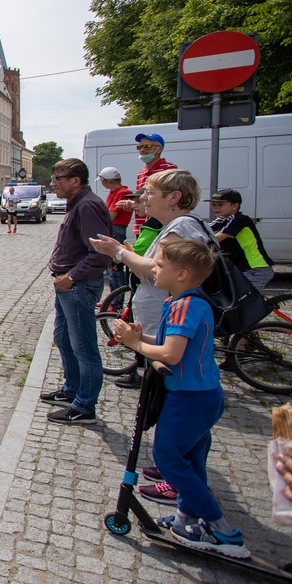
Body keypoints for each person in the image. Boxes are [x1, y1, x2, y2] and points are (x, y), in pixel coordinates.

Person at [113, 239, 250, 559]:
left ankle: (222, 529)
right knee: (190, 460)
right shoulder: (185, 301)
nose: (154, 269)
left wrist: (138, 345)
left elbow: (170, 355)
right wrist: (135, 337)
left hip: (190, 398)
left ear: (182, 274)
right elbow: (165, 343)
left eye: (160, 266)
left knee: (169, 458)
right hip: (201, 395)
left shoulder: (187, 306)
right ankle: (188, 518)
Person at [91, 169, 213, 503]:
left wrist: (118, 251)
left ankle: (179, 476)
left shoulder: (182, 228)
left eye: (150, 192)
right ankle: (175, 466)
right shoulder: (173, 227)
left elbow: (154, 269)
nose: (144, 197)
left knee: (171, 401)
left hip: (167, 328)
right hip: (163, 323)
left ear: (174, 197)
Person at [40, 159, 113, 425]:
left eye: (58, 178)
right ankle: (72, 390)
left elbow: (101, 255)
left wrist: (71, 276)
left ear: (76, 180)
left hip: (77, 285)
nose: (53, 183)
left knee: (83, 346)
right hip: (68, 285)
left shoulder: (87, 205)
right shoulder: (79, 204)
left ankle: (84, 406)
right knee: (64, 338)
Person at [207, 188, 274, 290]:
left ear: (234, 206)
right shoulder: (220, 220)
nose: (216, 208)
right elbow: (203, 230)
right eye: (214, 205)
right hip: (241, 269)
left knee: (243, 300)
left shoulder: (240, 220)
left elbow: (216, 238)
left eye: (220, 205)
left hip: (256, 270)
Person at [98, 167, 133, 310]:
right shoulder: (114, 193)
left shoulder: (123, 193)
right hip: (113, 229)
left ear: (106, 181)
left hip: (116, 230)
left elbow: (111, 216)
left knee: (115, 269)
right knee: (110, 269)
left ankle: (116, 303)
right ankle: (112, 299)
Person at [129, 133, 177, 236]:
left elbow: (169, 198)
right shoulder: (141, 173)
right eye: (139, 147)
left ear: (159, 149)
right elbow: (141, 198)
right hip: (142, 225)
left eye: (147, 146)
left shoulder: (168, 169)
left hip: (158, 225)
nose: (142, 150)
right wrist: (131, 204)